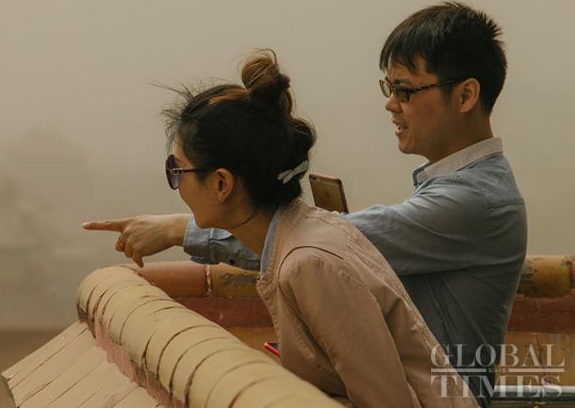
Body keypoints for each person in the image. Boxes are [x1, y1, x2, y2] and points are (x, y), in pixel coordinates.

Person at [84, 3, 527, 407]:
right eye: (388, 88)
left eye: (406, 91)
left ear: (466, 96)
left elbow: (330, 247)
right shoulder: (453, 190)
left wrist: (180, 229)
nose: (391, 105)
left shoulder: (477, 202)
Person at [145, 50, 477, 406]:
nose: (176, 184)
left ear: (222, 184)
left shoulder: (309, 263)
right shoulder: (304, 235)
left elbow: (387, 401)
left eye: (177, 171)